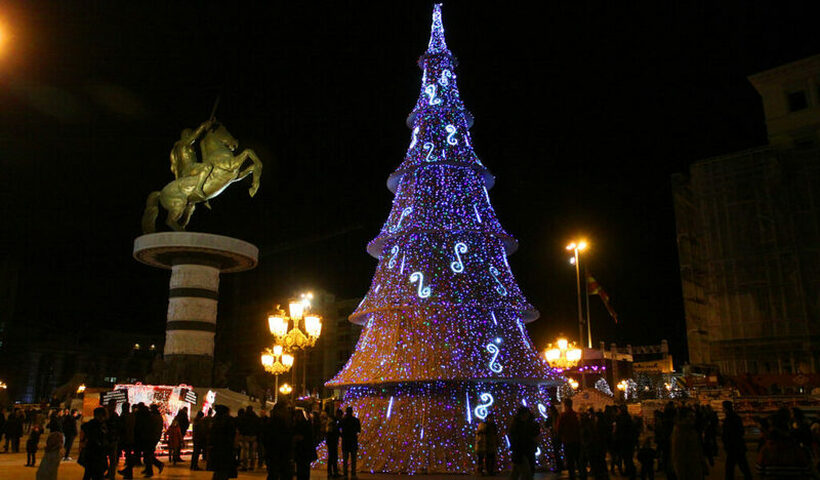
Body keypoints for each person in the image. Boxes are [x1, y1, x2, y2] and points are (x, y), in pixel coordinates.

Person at [261, 402, 292, 480]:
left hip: (274, 453)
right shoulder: (280, 422)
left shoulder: (271, 422)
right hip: (278, 453)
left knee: (274, 473)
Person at [722, 401, 751, 480]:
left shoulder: (728, 419)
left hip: (732, 446)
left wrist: (726, 443)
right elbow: (741, 431)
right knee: (743, 465)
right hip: (738, 445)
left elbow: (726, 434)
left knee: (730, 467)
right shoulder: (737, 418)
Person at [509, 406, 540, 480]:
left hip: (525, 451)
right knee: (526, 473)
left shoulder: (527, 424)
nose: (526, 416)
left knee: (516, 473)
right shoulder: (517, 425)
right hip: (520, 452)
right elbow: (516, 438)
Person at [556, 399, 584, 480]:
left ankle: (572, 476)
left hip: (567, 441)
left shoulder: (563, 416)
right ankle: (582, 474)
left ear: (565, 405)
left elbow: (558, 429)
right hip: (577, 440)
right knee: (578, 460)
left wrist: (560, 437)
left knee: (570, 460)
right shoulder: (576, 415)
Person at [208, 405, 237, 480]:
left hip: (216, 449)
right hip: (226, 450)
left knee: (218, 471)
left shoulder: (215, 421)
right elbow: (232, 435)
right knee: (224, 471)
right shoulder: (229, 421)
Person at [79, 407, 109, 480]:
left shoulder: (88, 425)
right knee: (97, 474)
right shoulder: (99, 426)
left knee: (88, 473)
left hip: (90, 453)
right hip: (97, 454)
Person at [294, 409, 317, 480]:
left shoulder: (305, 425)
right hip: (301, 451)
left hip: (304, 451)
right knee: (301, 469)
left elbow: (309, 437)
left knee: (303, 469)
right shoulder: (298, 425)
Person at [340, 406, 361, 480]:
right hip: (353, 441)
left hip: (345, 441)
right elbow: (359, 430)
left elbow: (339, 429)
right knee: (353, 458)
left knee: (345, 458)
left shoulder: (343, 420)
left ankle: (345, 472)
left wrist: (343, 435)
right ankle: (353, 472)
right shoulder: (356, 420)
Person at [238, 404, 260, 471]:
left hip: (246, 435)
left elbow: (240, 426)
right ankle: (252, 466)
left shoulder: (244, 417)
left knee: (245, 451)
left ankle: (245, 466)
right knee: (253, 452)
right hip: (254, 436)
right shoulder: (256, 417)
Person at [326, 409, 342, 478]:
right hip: (332, 441)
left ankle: (331, 472)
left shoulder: (333, 421)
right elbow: (332, 431)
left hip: (331, 441)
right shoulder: (333, 422)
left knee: (332, 456)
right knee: (333, 457)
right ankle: (333, 472)